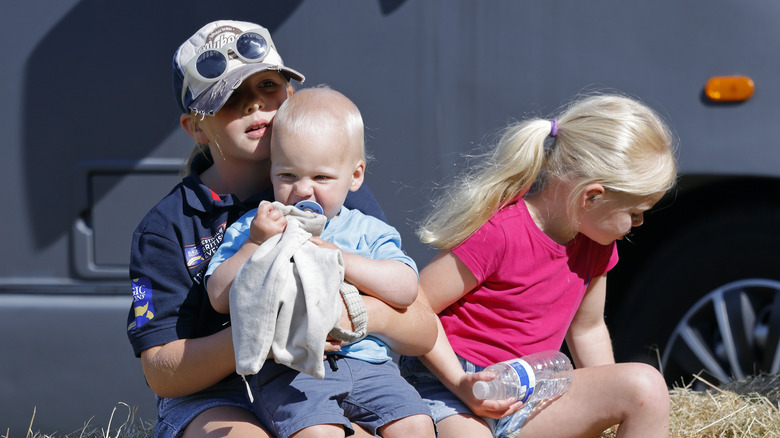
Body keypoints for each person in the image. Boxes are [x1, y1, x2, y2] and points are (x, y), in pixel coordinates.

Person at [126, 20, 436, 438]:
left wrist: (354, 315)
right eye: (230, 98)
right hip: (214, 397)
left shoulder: (331, 191)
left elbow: (421, 327)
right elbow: (163, 373)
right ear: (196, 128)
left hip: (323, 379)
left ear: (289, 96)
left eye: (267, 86)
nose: (255, 105)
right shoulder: (165, 227)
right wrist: (266, 330)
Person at [401, 93, 676, 438]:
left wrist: (606, 398)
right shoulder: (500, 232)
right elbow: (418, 304)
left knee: (646, 387)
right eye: (635, 213)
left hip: (531, 390)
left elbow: (587, 328)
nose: (638, 224)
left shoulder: (597, 246)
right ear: (592, 196)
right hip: (454, 388)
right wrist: (460, 383)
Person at [205, 86, 435, 438]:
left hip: (370, 366)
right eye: (288, 176)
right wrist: (254, 244)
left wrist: (340, 258)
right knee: (318, 433)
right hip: (289, 371)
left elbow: (405, 290)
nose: (303, 190)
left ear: (355, 176)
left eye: (321, 177)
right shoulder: (258, 226)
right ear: (271, 173)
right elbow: (218, 297)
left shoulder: (367, 230)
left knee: (416, 424)